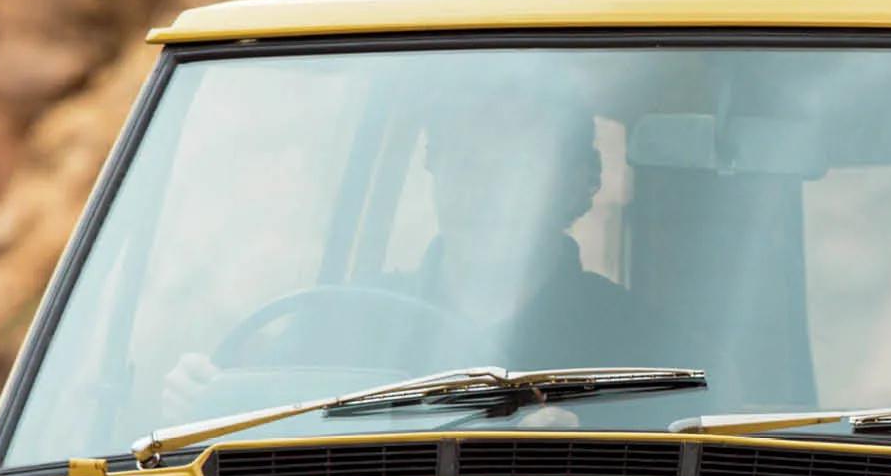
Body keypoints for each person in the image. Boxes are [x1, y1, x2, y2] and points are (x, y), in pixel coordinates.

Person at [160, 97, 669, 415]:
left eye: (516, 170)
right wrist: (202, 394)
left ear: (581, 183)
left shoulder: (650, 346)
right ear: (434, 167)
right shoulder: (347, 319)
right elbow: (262, 412)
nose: (485, 192)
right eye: (466, 162)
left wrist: (581, 449)